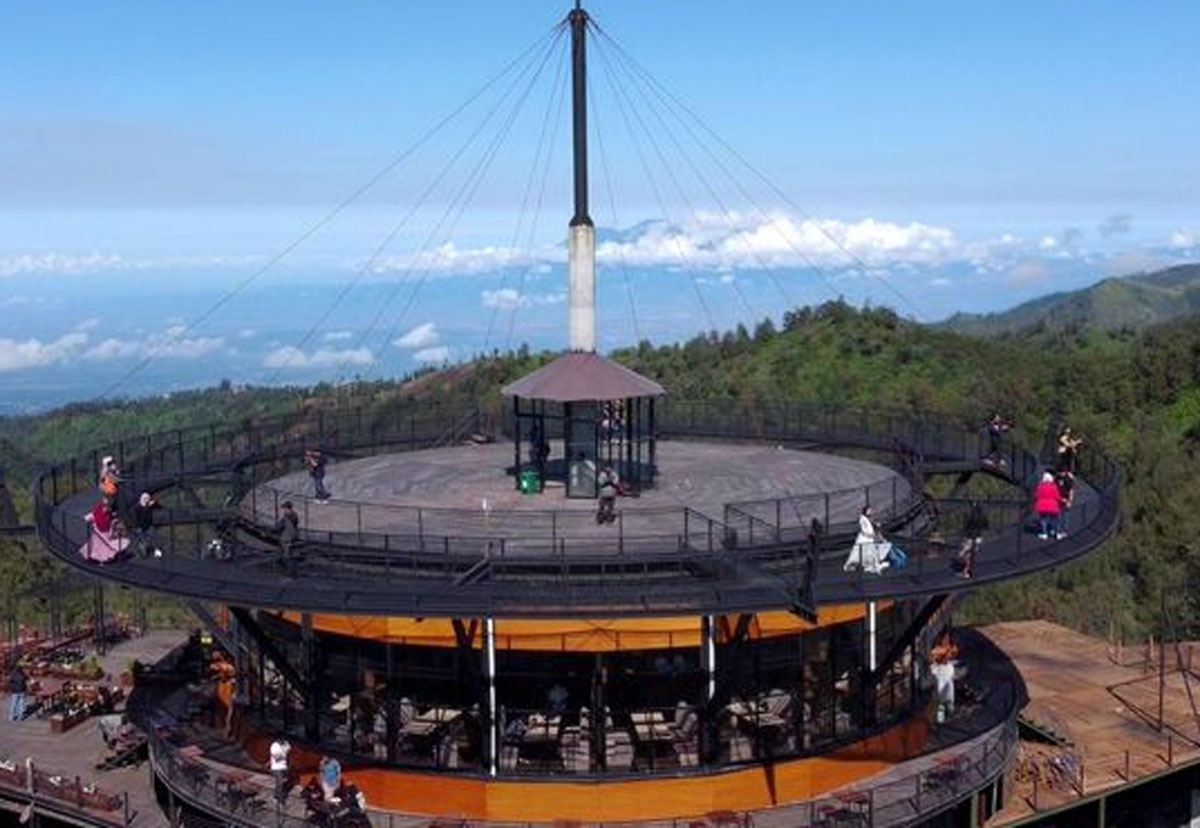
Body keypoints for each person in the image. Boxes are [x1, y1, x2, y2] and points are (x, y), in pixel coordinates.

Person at [844, 505, 890, 574]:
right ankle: (853, 565)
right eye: (869, 510)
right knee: (859, 554)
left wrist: (876, 525)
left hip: (869, 539)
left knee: (871, 553)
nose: (870, 511)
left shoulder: (869, 518)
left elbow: (873, 526)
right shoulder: (862, 519)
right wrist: (870, 534)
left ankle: (873, 566)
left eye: (871, 510)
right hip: (864, 539)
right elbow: (865, 530)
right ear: (865, 510)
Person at [958, 500, 988, 579]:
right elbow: (987, 526)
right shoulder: (983, 516)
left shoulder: (971, 516)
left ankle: (966, 572)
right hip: (978, 537)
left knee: (964, 554)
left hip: (970, 537)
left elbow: (967, 526)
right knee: (970, 554)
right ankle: (967, 571)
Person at [1033, 472, 1064, 540]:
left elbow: (1037, 495)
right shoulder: (1053, 486)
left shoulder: (1040, 486)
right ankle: (1057, 533)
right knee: (1056, 520)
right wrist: (1062, 500)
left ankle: (1045, 533)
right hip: (1053, 505)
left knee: (1043, 520)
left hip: (1042, 505)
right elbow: (1057, 496)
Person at [132, 492, 162, 558]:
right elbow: (139, 517)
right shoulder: (138, 507)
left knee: (154, 538)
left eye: (148, 499)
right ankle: (141, 551)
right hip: (140, 526)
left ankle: (156, 551)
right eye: (145, 499)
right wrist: (137, 527)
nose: (147, 500)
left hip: (149, 525)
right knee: (143, 541)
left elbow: (159, 507)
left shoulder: (149, 506)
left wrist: (155, 502)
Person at [269, 735, 291, 806]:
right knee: (280, 782)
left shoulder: (286, 744)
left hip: (284, 766)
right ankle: (280, 801)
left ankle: (275, 796)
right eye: (280, 740)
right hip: (276, 767)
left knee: (282, 783)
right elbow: (277, 757)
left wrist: (283, 752)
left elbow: (289, 748)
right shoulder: (274, 746)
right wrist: (284, 753)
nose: (282, 741)